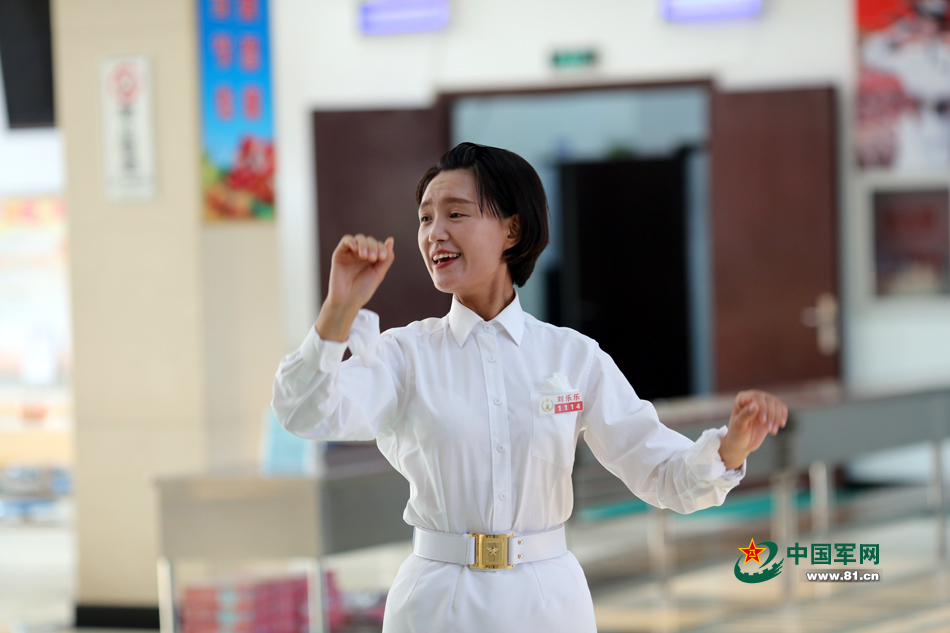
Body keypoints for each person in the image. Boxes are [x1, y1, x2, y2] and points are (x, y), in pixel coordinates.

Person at [272, 142, 788, 633]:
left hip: (549, 602)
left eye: (456, 213)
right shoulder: (404, 355)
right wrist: (339, 309)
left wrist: (733, 444)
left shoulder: (571, 355)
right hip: (435, 603)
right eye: (425, 218)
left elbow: (661, 474)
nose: (433, 233)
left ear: (512, 230)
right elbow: (306, 413)